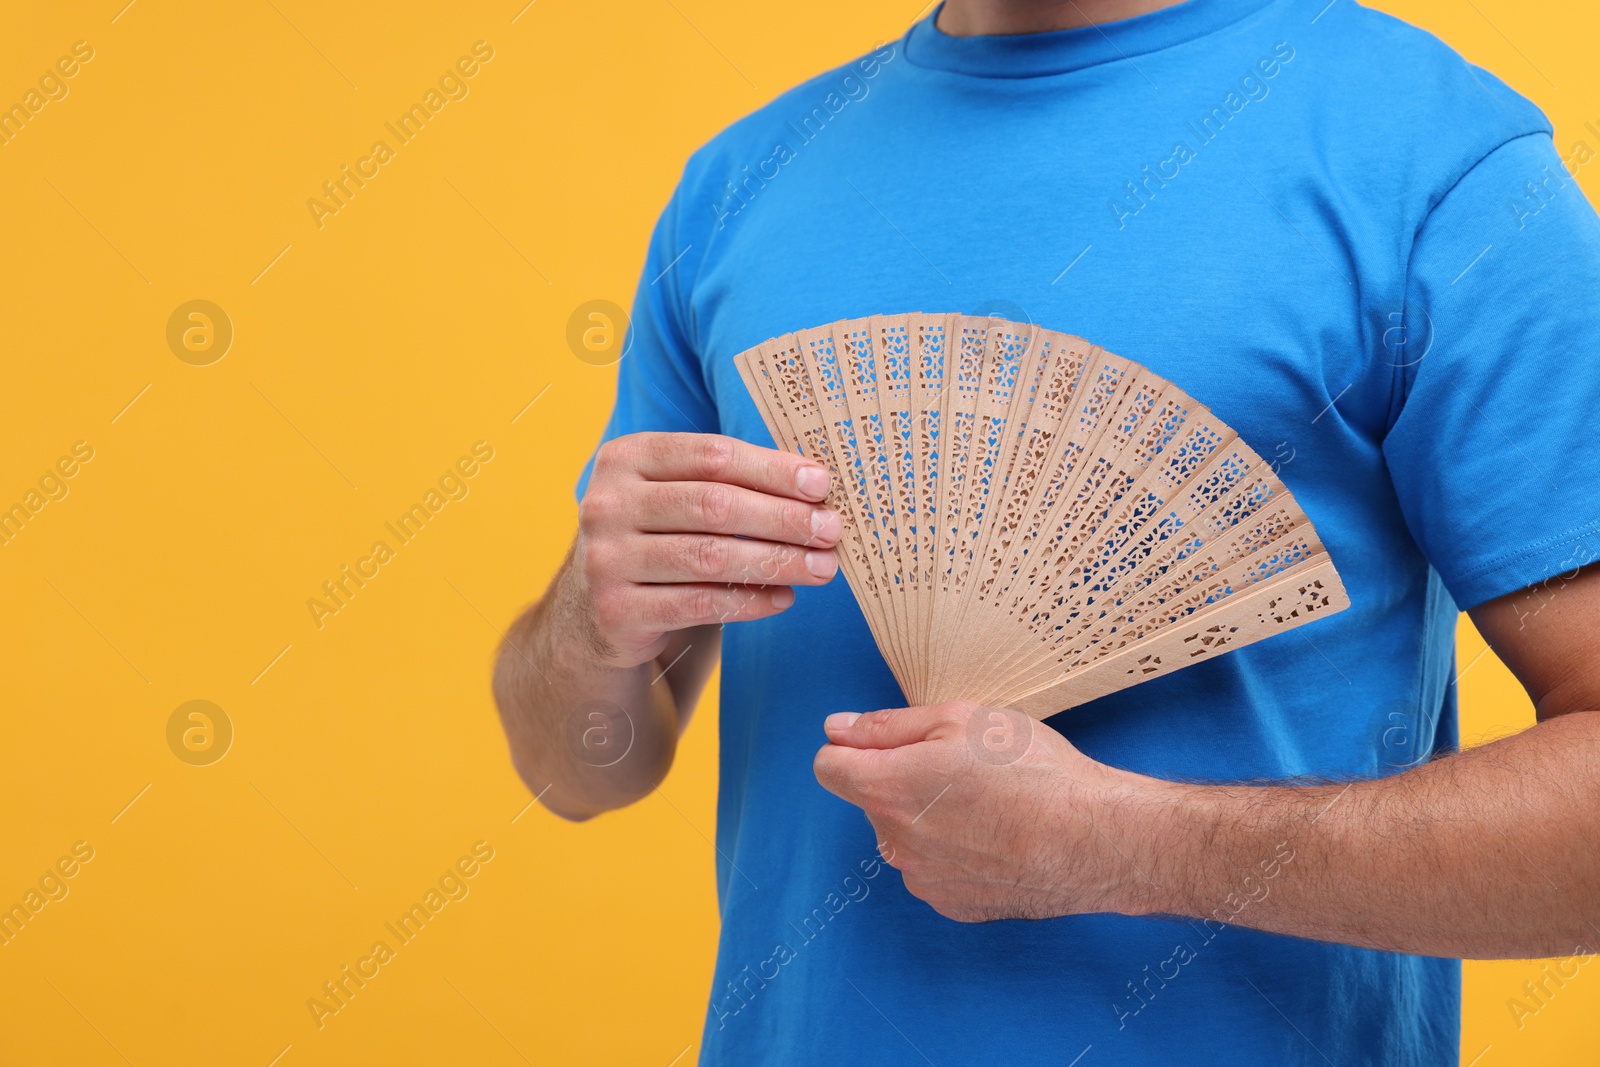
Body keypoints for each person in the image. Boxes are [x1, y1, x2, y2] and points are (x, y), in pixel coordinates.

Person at [491, 0, 1600, 1062]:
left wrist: (1126, 845)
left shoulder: (1436, 166)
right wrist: (587, 628)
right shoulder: (739, 187)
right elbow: (583, 771)